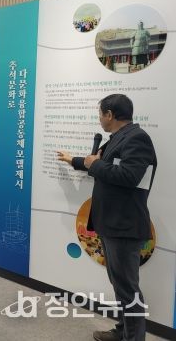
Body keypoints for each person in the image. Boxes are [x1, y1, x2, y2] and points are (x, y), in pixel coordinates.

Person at [57, 94, 156, 341]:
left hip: (124, 226)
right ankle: (123, 332)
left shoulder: (137, 138)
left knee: (128, 289)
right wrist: (74, 160)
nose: (99, 119)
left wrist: (93, 164)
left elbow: (129, 176)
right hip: (112, 224)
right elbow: (100, 163)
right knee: (120, 285)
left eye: (100, 114)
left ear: (110, 114)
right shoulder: (118, 138)